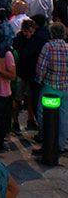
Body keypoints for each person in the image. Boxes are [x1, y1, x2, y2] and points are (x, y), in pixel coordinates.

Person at [35, 21, 68, 153]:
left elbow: (41, 67)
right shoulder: (67, 47)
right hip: (65, 88)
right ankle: (60, 145)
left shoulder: (48, 47)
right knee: (64, 117)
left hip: (50, 87)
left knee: (43, 114)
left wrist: (39, 79)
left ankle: (47, 142)